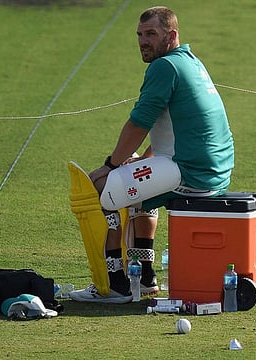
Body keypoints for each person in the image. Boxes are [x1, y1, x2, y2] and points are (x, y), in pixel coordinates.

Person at [70, 6, 234, 303]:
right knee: (137, 180)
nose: (143, 41)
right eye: (140, 35)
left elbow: (139, 123)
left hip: (190, 171)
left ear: (171, 35)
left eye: (151, 34)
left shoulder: (164, 67)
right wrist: (142, 159)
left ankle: (116, 284)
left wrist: (110, 165)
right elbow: (169, 127)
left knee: (103, 186)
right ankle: (145, 276)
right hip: (210, 168)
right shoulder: (189, 61)